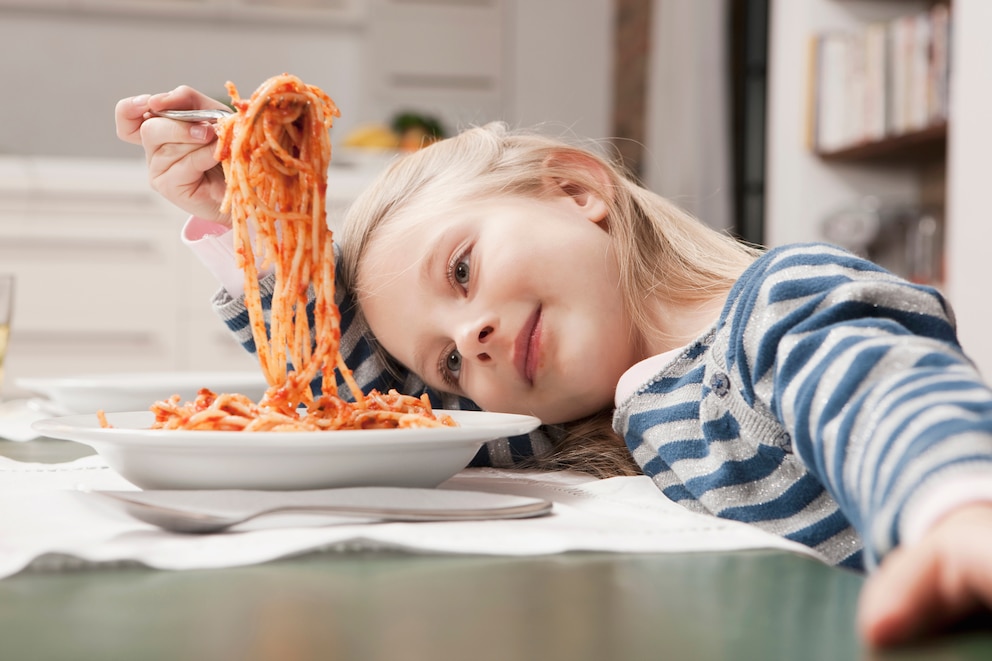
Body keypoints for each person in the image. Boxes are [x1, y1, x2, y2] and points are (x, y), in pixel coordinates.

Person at [116, 86, 992, 648]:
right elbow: (361, 404)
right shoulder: (594, 421)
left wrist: (956, 513)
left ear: (578, 190)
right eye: (451, 361)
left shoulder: (781, 301)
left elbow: (883, 391)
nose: (476, 339)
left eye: (462, 270)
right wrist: (254, 218)